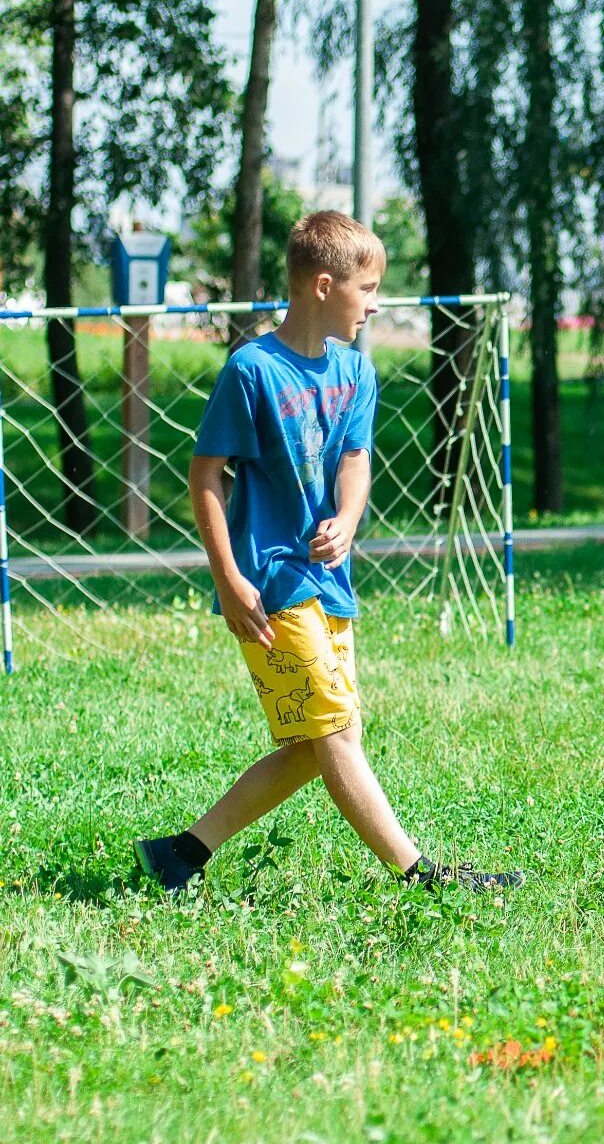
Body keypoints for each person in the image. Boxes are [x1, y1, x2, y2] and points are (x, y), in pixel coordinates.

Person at [133, 211, 522, 895]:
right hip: (271, 585)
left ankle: (180, 854)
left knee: (319, 746)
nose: (375, 303)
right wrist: (227, 579)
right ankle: (423, 877)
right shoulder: (251, 371)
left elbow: (355, 459)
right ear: (322, 285)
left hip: (330, 582)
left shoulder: (354, 372)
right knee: (338, 736)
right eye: (367, 288)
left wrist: (347, 516)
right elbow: (204, 477)